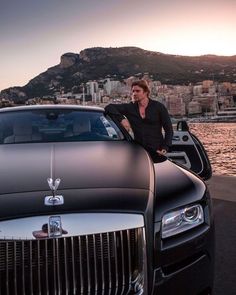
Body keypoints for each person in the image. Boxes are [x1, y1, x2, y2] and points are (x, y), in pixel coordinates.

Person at [105, 80, 173, 157]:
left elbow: (169, 129)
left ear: (146, 92)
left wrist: (165, 148)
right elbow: (109, 107)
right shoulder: (130, 107)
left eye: (138, 91)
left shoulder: (158, 107)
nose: (134, 93)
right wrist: (122, 119)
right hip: (138, 151)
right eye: (133, 91)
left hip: (157, 151)